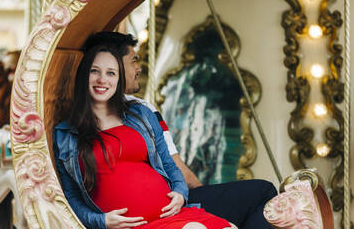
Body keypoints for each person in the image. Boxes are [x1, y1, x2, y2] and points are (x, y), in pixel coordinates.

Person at [82, 31, 278, 229]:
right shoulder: (80, 121)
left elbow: (171, 166)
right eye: (133, 60)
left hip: (171, 198)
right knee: (263, 192)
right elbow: (178, 169)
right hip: (164, 205)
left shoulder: (139, 110)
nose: (138, 68)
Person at [53, 44, 236, 229]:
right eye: (95, 71)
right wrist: (101, 221)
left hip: (172, 215)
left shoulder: (140, 115)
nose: (102, 79)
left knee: (229, 228)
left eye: (111, 73)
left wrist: (180, 193)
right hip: (132, 226)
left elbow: (169, 164)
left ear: (118, 80)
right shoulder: (65, 134)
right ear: (84, 75)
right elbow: (71, 198)